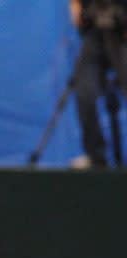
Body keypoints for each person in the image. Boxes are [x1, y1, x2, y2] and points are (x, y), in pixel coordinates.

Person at [69, 0, 127, 167]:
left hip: (121, 35)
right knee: (84, 92)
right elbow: (78, 13)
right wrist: (77, 9)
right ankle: (96, 157)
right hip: (96, 35)